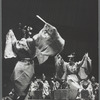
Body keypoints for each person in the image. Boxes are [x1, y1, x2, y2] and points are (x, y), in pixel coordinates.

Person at [4, 19, 65, 100]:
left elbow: (41, 37)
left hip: (28, 66)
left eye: (28, 29)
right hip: (19, 66)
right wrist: (11, 34)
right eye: (24, 29)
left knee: (26, 88)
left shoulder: (31, 41)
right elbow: (14, 44)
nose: (25, 30)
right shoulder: (20, 42)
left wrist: (48, 29)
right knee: (16, 85)